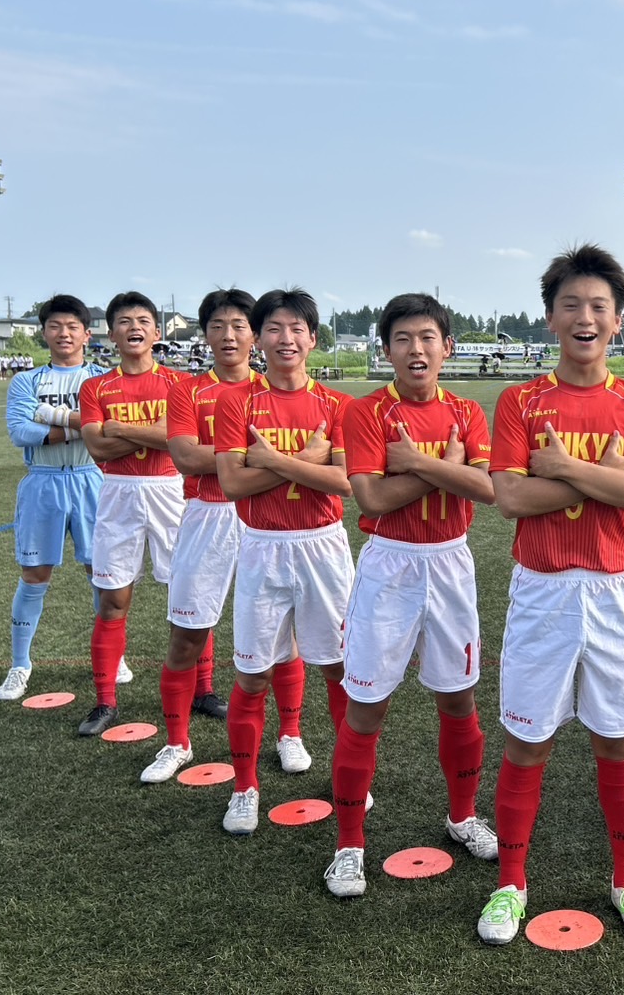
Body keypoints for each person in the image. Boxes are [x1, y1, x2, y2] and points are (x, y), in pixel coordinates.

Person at [476, 244, 624, 945]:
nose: (584, 317)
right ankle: (510, 885)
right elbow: (509, 497)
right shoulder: (520, 400)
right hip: (542, 590)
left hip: (614, 590)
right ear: (550, 317)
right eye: (570, 305)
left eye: (598, 306)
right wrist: (600, 477)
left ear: (618, 320)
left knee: (618, 740)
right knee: (527, 740)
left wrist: (559, 468)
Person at [324, 293, 498, 898]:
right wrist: (443, 467)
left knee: (458, 697)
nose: (416, 349)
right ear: (386, 349)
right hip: (390, 565)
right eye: (402, 339)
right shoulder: (367, 411)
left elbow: (488, 488)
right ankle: (349, 845)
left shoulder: (467, 411)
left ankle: (462, 816)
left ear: (447, 347)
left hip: (451, 563)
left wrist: (414, 462)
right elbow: (371, 499)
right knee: (366, 704)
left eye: (427, 338)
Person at [141, 288, 297, 783]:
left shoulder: (275, 390)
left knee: (283, 638)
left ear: (256, 334)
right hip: (206, 515)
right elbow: (185, 457)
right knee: (187, 634)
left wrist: (245, 460)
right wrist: (265, 457)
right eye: (217, 326)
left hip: (266, 517)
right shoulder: (187, 391)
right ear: (204, 334)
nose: (228, 335)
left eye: (238, 325)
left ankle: (290, 734)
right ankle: (176, 742)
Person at [213, 288, 354, 836]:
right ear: (259, 338)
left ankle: (349, 779)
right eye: (274, 328)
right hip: (262, 545)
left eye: (297, 328)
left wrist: (271, 460)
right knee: (252, 674)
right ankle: (244, 788)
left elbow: (345, 482)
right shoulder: (236, 403)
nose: (286, 338)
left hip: (323, 545)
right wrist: (304, 460)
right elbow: (231, 483)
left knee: (339, 669)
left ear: (313, 339)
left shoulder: (338, 405)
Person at [77, 292, 190, 736]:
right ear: (111, 334)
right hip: (118, 494)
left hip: (170, 491)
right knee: (112, 599)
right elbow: (97, 447)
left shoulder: (180, 384)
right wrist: (156, 433)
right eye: (124, 321)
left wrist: (120, 427)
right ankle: (105, 701)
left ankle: (202, 691)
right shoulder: (95, 388)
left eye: (143, 320)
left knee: (187, 596)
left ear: (157, 332)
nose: (134, 327)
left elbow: (180, 439)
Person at [0, 296, 105, 701]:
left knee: (103, 573)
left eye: (72, 326)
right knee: (34, 574)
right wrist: (86, 428)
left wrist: (49, 417)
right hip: (42, 482)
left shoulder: (101, 379)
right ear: (44, 333)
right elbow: (21, 432)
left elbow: (112, 426)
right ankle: (19, 664)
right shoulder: (26, 381)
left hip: (92, 479)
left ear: (86, 334)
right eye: (56, 326)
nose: (64, 333)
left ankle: (111, 657)